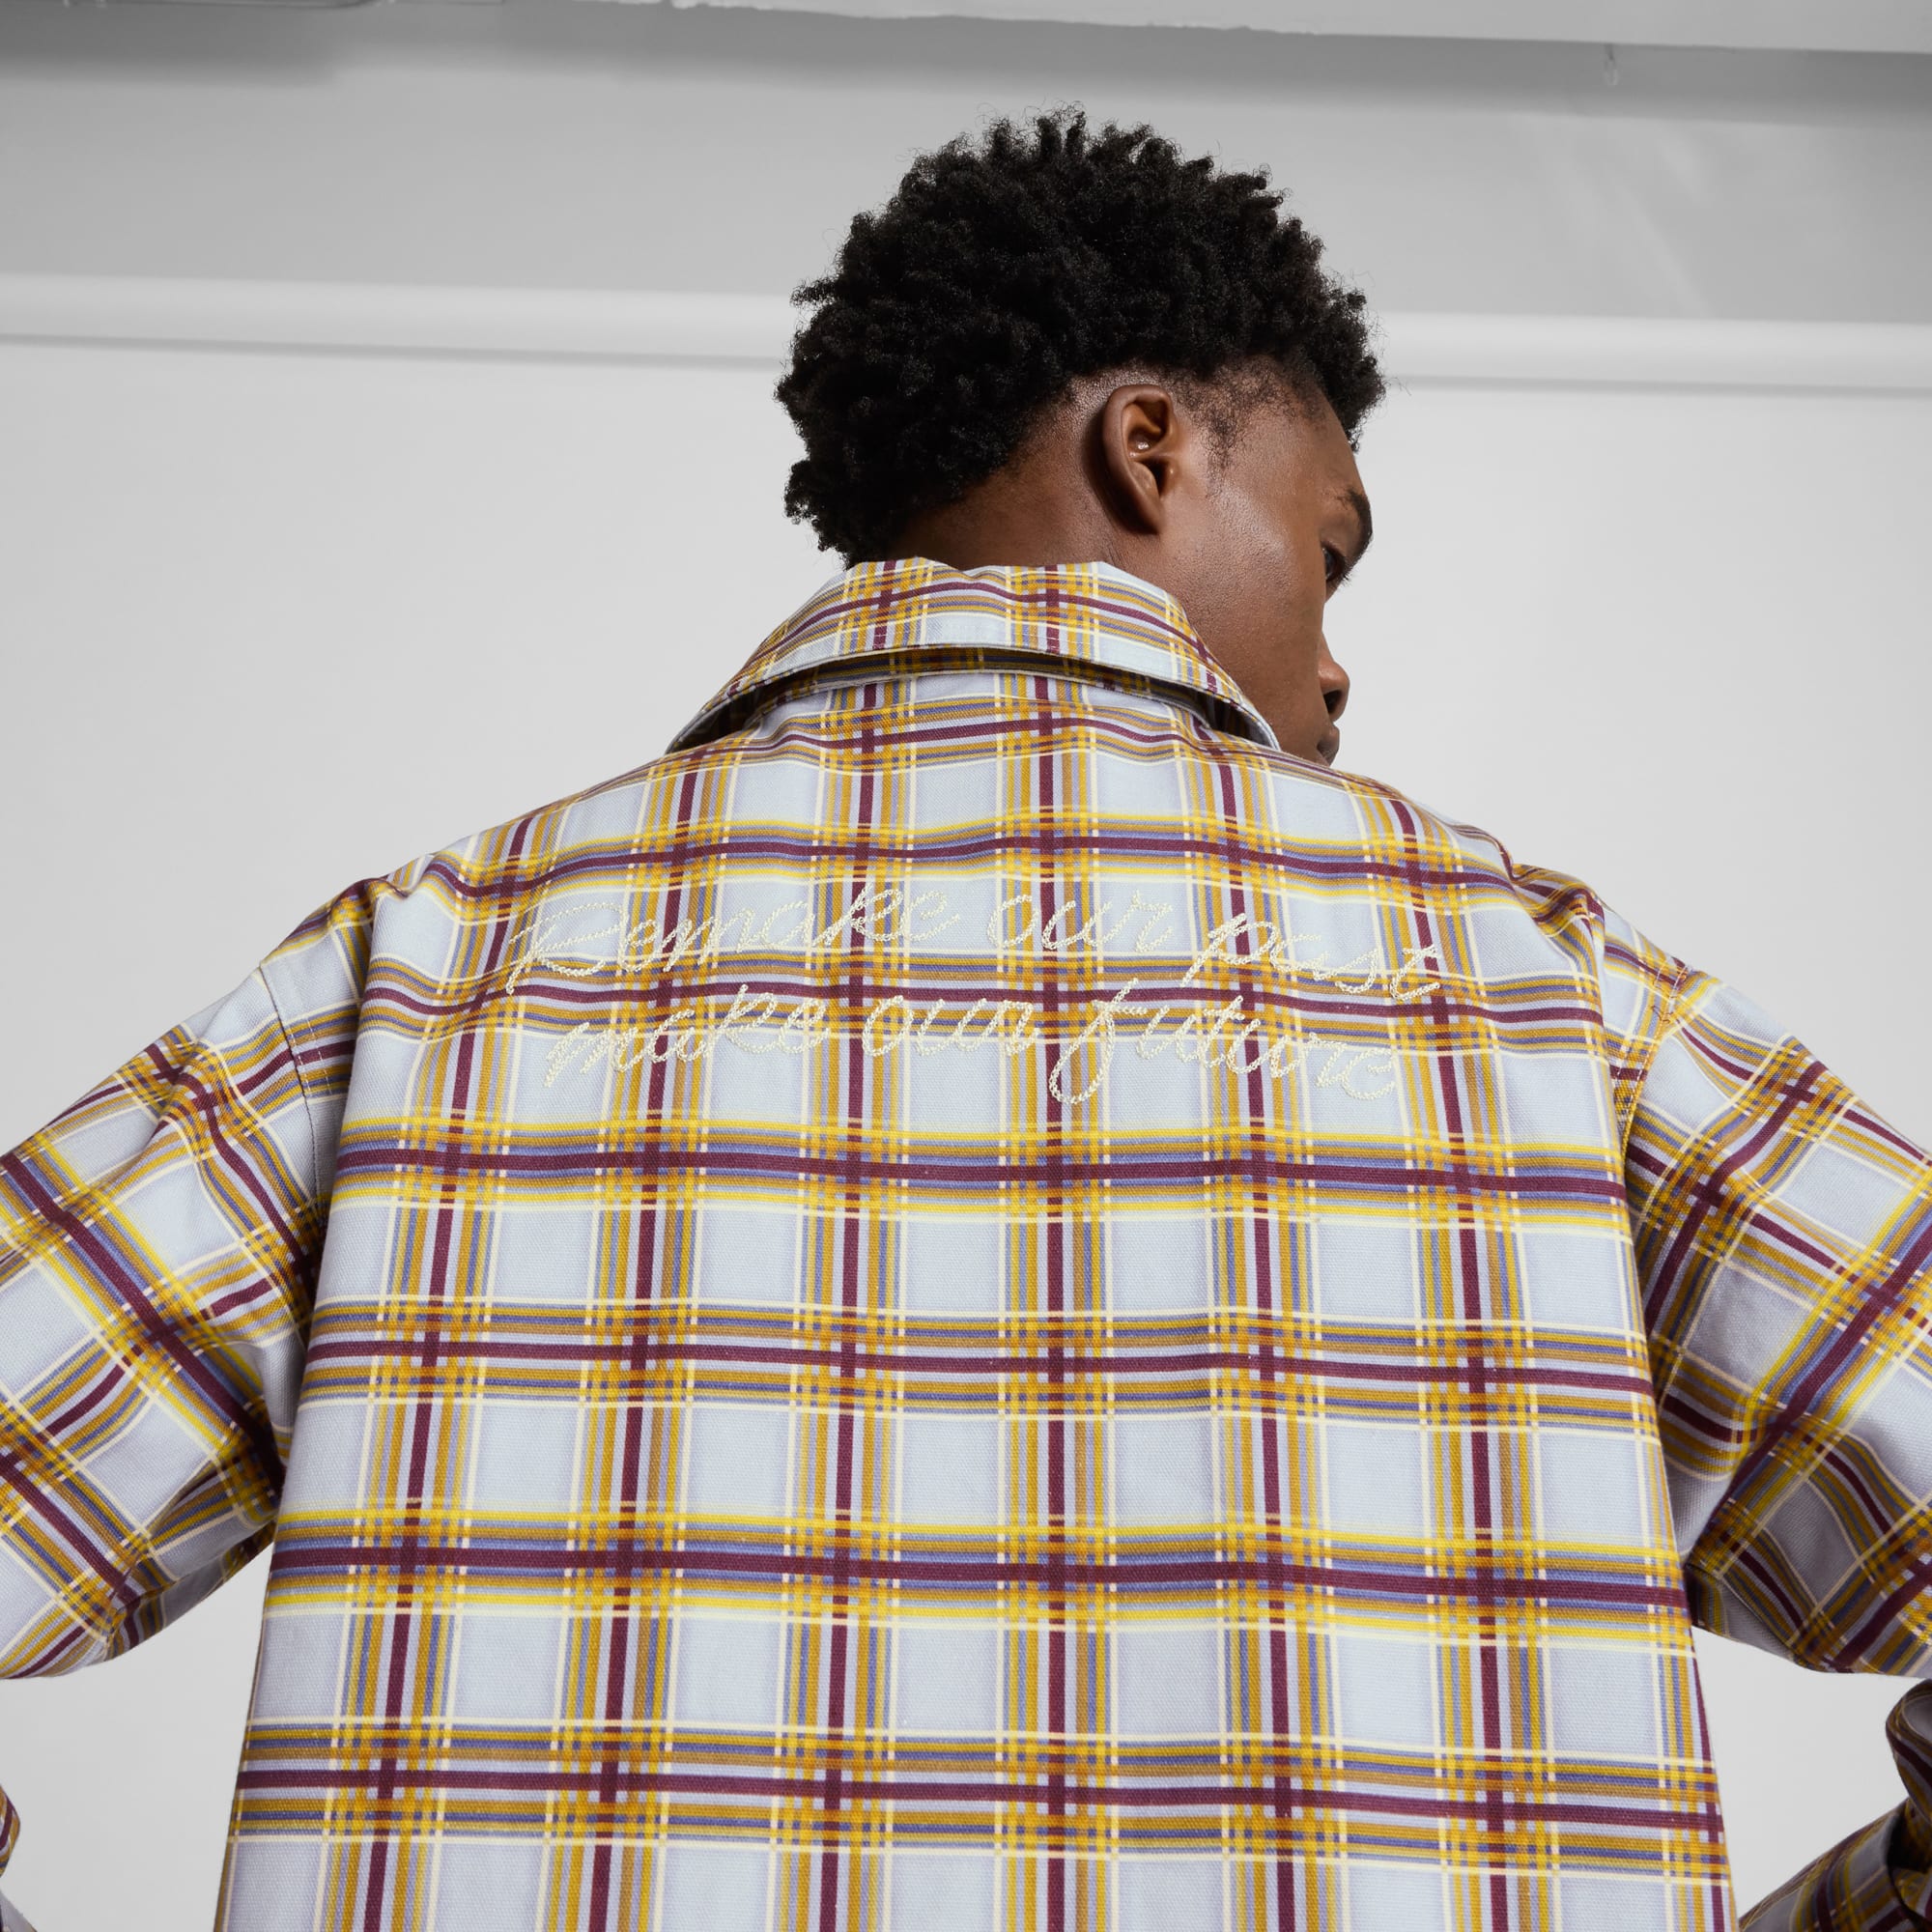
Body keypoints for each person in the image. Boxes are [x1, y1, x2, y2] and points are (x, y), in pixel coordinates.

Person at [0, 109, 1926, 1932]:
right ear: (1150, 448)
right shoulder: (1530, 988)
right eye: (1329, 557)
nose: (1338, 669)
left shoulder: (433, 969)